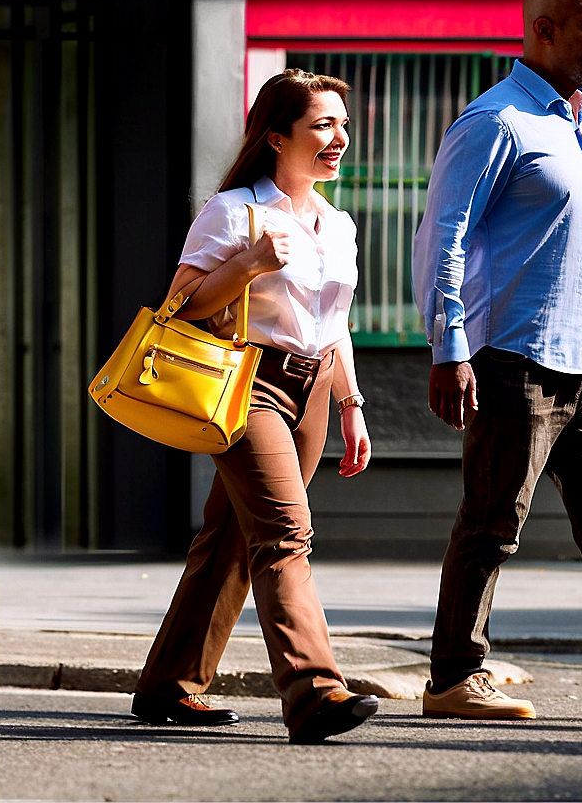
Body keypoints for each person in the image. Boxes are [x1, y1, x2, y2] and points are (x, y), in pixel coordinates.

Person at [412, 0, 582, 722]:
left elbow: (580, 252)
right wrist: (449, 348)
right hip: (512, 362)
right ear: (544, 29)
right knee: (493, 523)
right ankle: (454, 680)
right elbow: (443, 242)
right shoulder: (493, 123)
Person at [130, 68, 379, 744]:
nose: (340, 138)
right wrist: (247, 265)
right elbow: (179, 305)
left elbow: (336, 323)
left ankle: (167, 685)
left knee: (233, 540)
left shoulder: (338, 223)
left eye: (343, 125)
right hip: (249, 383)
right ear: (277, 136)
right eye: (322, 125)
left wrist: (351, 403)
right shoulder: (235, 210)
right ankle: (314, 691)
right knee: (285, 532)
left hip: (314, 389)